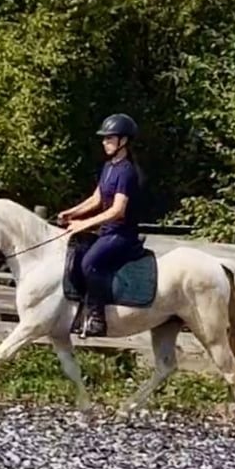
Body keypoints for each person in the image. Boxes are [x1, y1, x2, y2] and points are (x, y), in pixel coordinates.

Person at [58, 113, 145, 337]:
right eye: (104, 139)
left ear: (123, 141)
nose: (104, 142)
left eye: (109, 138)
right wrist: (71, 212)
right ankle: (78, 309)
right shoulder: (109, 167)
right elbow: (96, 199)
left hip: (122, 235)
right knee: (77, 252)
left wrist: (83, 223)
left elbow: (118, 210)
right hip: (107, 233)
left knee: (90, 263)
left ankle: (97, 317)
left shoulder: (126, 172)